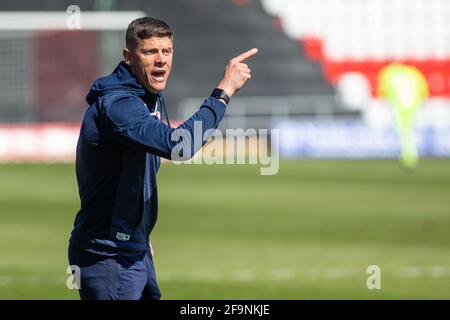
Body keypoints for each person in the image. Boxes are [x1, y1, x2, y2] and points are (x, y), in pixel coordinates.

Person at [67, 16, 257, 300]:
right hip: (108, 256)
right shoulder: (119, 105)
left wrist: (140, 232)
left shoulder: (145, 97)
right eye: (150, 52)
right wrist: (223, 93)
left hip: (134, 249)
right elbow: (180, 145)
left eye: (166, 51)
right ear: (129, 57)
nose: (161, 60)